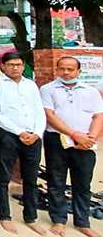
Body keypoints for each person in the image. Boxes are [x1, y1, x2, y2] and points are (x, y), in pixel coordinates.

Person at [40, 57, 103, 237]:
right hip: (57, 139)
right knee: (56, 181)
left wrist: (91, 138)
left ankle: (82, 222)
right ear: (57, 70)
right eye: (62, 69)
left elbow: (98, 116)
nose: (66, 72)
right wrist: (74, 135)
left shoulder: (91, 91)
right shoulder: (47, 89)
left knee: (83, 183)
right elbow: (49, 115)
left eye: (70, 69)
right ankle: (58, 220)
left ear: (78, 71)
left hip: (85, 141)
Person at [0, 52, 46, 235]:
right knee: (3, 177)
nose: (15, 68)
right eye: (11, 64)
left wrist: (37, 133)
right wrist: (19, 132)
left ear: (23, 66)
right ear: (3, 66)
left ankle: (31, 217)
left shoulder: (30, 85)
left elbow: (39, 110)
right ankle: (4, 216)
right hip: (8, 135)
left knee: (30, 178)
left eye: (19, 64)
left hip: (33, 136)